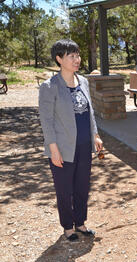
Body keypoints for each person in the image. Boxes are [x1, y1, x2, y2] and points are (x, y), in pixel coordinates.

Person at [38, 39, 103, 242]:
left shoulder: (83, 81)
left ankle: (80, 223)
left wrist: (96, 135)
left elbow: (90, 112)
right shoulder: (50, 87)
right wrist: (53, 149)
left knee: (82, 186)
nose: (77, 59)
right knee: (64, 189)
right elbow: (46, 121)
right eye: (71, 56)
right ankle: (68, 227)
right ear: (59, 59)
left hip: (85, 145)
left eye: (78, 55)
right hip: (63, 148)